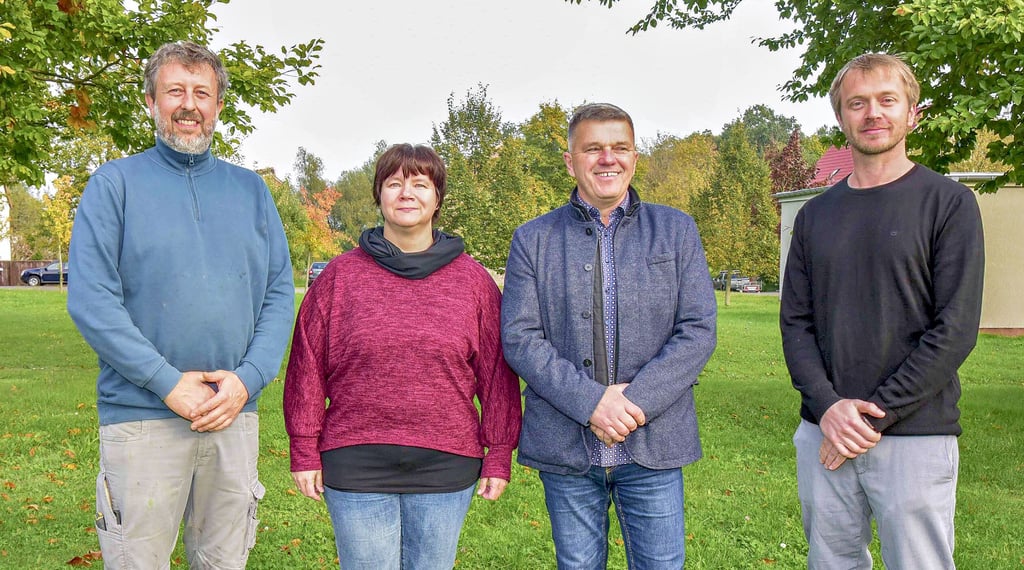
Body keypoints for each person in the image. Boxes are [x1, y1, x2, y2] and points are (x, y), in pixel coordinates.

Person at [66, 41, 295, 568]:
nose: (189, 105)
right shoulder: (114, 185)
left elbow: (279, 291)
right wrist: (167, 382)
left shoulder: (251, 192)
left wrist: (248, 378)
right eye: (175, 91)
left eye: (202, 93)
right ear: (150, 102)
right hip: (142, 419)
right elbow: (92, 300)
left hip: (233, 414)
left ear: (217, 106)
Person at [780, 53, 985, 569]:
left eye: (887, 100)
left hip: (916, 432)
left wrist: (873, 417)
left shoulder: (950, 203)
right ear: (842, 118)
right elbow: (795, 325)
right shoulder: (814, 216)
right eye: (858, 103)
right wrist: (828, 408)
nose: (873, 113)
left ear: (912, 113)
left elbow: (954, 329)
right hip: (824, 430)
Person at [283, 143, 522, 570]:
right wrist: (303, 446)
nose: (406, 193)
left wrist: (500, 450)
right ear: (379, 195)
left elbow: (496, 375)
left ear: (438, 197)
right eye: (394, 183)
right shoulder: (340, 277)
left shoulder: (473, 282)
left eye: (420, 183)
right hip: (356, 462)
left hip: (446, 464)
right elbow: (306, 367)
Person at [501, 103, 717, 568]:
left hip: (654, 442)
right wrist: (591, 403)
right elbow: (520, 337)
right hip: (566, 443)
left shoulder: (677, 230)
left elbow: (698, 329)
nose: (607, 159)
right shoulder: (532, 239)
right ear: (570, 160)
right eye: (593, 148)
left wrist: (632, 403)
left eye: (619, 148)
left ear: (635, 158)